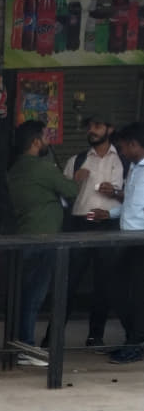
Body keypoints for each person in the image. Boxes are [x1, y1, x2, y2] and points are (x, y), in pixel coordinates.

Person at [42, 116, 127, 349]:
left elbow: (133, 198)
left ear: (110, 128)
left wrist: (116, 194)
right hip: (80, 222)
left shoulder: (123, 161)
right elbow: (62, 195)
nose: (92, 130)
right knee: (67, 283)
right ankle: (52, 338)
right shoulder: (76, 160)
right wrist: (74, 183)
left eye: (98, 125)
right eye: (90, 126)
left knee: (104, 283)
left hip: (108, 224)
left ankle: (95, 337)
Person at [6, 121, 85, 365]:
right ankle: (27, 348)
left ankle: (20, 345)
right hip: (44, 238)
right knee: (34, 297)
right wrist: (79, 177)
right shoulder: (40, 167)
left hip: (25, 237)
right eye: (45, 138)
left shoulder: (16, 168)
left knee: (24, 295)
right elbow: (70, 190)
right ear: (35, 142)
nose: (48, 143)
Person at [101, 125, 144, 364]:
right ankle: (133, 339)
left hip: (140, 241)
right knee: (117, 290)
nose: (122, 151)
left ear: (135, 144)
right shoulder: (136, 170)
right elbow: (131, 206)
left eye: (125, 146)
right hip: (126, 238)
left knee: (136, 295)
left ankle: (135, 344)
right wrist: (106, 215)